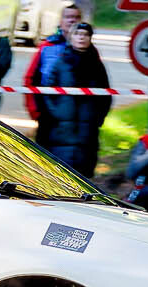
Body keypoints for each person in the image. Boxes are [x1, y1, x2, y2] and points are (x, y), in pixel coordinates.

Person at [43, 20, 112, 178]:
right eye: (77, 34)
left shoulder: (97, 66)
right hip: (62, 132)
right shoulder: (60, 63)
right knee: (61, 175)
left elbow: (105, 96)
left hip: (87, 132)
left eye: (85, 34)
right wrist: (57, 113)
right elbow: (48, 93)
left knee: (84, 176)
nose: (81, 37)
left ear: (90, 38)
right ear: (71, 37)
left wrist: (97, 118)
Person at [22, 4, 83, 147]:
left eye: (76, 17)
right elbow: (30, 79)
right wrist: (35, 111)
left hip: (78, 118)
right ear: (60, 21)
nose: (72, 20)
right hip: (48, 115)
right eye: (68, 17)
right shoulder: (47, 47)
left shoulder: (89, 50)